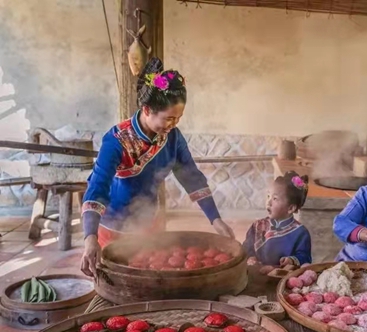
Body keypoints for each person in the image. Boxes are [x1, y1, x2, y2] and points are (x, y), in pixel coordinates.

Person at [80, 58, 234, 277]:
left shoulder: (172, 138)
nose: (173, 125)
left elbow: (191, 177)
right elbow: (97, 188)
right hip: (112, 227)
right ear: (147, 109)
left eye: (178, 118)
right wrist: (90, 239)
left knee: (154, 276)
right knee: (116, 283)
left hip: (149, 224)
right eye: (169, 118)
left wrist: (215, 219)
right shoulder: (116, 140)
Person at [243, 171, 312, 274]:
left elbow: (305, 258)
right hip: (256, 275)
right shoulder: (257, 226)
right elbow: (246, 247)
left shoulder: (300, 233)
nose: (269, 202)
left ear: (290, 208)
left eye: (275, 198)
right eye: (268, 196)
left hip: (283, 279)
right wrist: (251, 257)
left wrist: (291, 260)